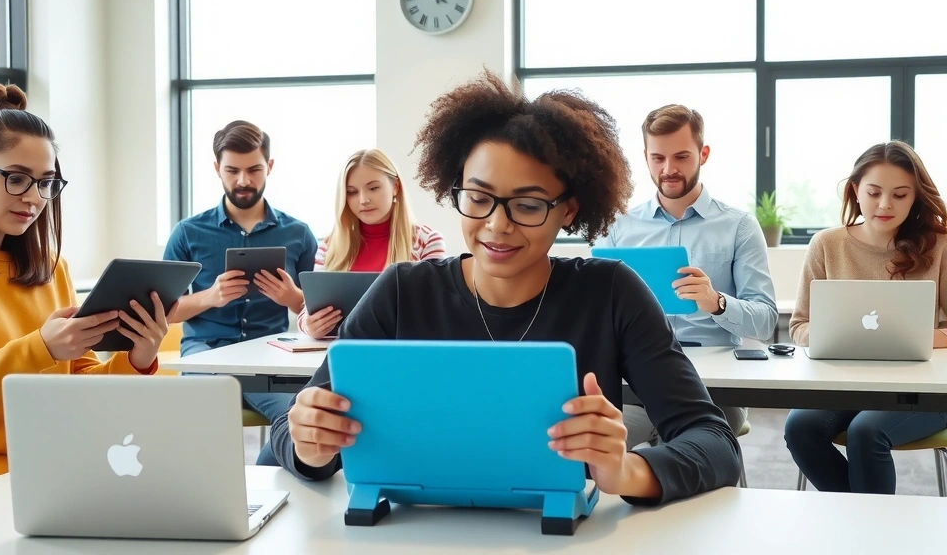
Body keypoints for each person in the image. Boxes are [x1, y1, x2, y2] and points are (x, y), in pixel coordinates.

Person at [270, 71, 741, 504]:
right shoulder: (400, 292)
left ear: (569, 210)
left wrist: (626, 471)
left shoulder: (610, 292)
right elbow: (291, 431)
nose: (497, 226)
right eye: (478, 198)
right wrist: (310, 447)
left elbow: (714, 442)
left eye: (529, 205)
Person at [0, 83, 171, 501]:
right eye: (16, 179)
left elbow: (81, 384)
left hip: (55, 466)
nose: (34, 199)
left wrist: (138, 358)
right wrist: (39, 349)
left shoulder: (51, 270)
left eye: (46, 183)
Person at [599, 104, 777, 448]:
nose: (669, 169)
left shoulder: (739, 226)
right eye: (658, 158)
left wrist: (717, 303)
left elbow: (766, 322)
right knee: (591, 444)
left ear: (703, 154)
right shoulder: (619, 228)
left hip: (714, 388)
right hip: (638, 380)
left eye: (681, 156)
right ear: (646, 157)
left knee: (693, 445)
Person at [784, 141, 947, 495]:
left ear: (915, 197)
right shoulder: (827, 244)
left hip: (925, 391)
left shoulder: (939, 246)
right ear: (856, 191)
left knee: (866, 431)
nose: (885, 204)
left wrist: (929, 336)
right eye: (874, 192)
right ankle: (864, 523)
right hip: (849, 384)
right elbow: (798, 325)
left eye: (900, 195)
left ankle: (871, 534)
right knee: (799, 428)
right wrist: (833, 335)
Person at [163, 120, 317, 465]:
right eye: (232, 170)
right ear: (217, 168)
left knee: (298, 421)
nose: (243, 181)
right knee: (195, 420)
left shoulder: (299, 234)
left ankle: (263, 485)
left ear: (270, 167)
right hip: (206, 354)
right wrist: (209, 297)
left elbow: (318, 314)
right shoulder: (188, 232)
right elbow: (164, 311)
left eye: (254, 170)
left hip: (270, 355)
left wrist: (292, 297)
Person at [297, 148, 445, 340]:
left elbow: (436, 311)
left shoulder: (427, 241)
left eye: (373, 188)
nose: (363, 200)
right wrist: (309, 326)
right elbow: (307, 311)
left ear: (395, 187)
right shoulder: (329, 246)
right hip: (343, 352)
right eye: (352, 192)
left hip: (399, 354)